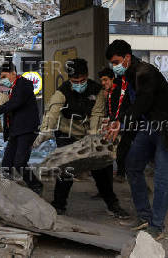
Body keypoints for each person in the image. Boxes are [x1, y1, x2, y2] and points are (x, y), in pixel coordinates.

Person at [105, 40, 168, 240]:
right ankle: (144, 216)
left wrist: (123, 124)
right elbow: (128, 103)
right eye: (111, 63)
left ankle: (157, 226)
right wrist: (117, 120)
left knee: (162, 175)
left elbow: (143, 101)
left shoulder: (145, 72)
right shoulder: (127, 76)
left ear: (127, 57)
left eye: (116, 61)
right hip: (151, 125)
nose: (113, 66)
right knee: (131, 165)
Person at [33, 58, 129, 219]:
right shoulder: (62, 91)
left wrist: (93, 135)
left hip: (89, 132)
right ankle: (59, 205)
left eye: (82, 80)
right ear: (69, 79)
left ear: (87, 76)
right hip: (67, 133)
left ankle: (113, 204)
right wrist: (45, 130)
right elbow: (53, 110)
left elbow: (98, 112)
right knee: (67, 168)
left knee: (101, 169)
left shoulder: (96, 90)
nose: (79, 83)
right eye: (75, 81)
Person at [0, 62, 43, 194]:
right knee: (6, 163)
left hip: (26, 130)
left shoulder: (23, 84)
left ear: (13, 73)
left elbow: (15, 103)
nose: (3, 80)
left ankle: (35, 185)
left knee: (19, 163)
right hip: (16, 131)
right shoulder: (14, 87)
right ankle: (7, 188)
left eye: (5, 76)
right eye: (1, 77)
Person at [98, 67, 133, 183]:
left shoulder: (121, 92)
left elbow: (124, 109)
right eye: (101, 81)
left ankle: (124, 174)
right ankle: (120, 174)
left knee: (123, 151)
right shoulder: (109, 92)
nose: (103, 83)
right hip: (116, 125)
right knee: (117, 151)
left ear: (112, 78)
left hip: (125, 126)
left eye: (105, 80)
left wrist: (116, 120)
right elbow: (110, 111)